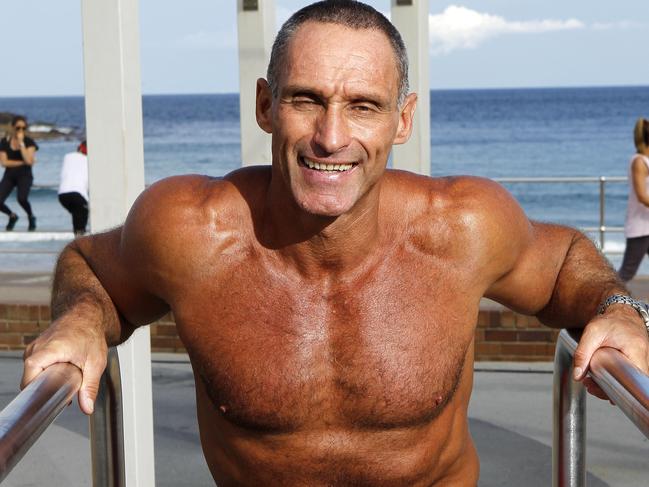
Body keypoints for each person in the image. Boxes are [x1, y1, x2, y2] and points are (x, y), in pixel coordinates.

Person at [22, 2, 649, 485]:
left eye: (364, 106)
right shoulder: (194, 230)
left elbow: (565, 259)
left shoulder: (459, 229)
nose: (331, 136)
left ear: (402, 120)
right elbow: (93, 268)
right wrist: (78, 319)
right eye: (306, 100)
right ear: (266, 106)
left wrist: (622, 312)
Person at [618, 118, 649, 282]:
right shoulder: (639, 162)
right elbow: (642, 196)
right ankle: (601, 301)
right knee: (625, 274)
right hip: (641, 228)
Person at [0, 115, 38, 231]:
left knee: (22, 199)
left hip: (25, 175)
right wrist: (23, 162)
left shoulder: (29, 142)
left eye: (23, 128)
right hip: (9, 175)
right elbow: (4, 162)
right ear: (13, 127)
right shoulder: (5, 141)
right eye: (18, 128)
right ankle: (12, 216)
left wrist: (22, 144)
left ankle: (31, 216)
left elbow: (28, 161)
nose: (21, 130)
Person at [58, 140, 89, 236]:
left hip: (62, 195)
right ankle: (79, 246)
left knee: (76, 216)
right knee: (81, 226)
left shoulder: (67, 156)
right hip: (78, 195)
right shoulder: (89, 160)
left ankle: (77, 242)